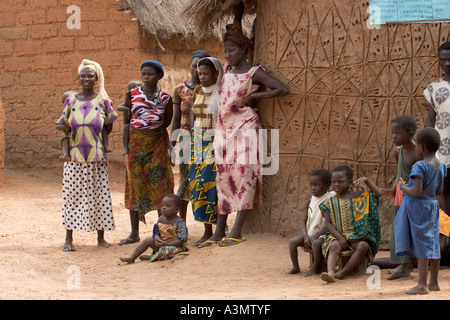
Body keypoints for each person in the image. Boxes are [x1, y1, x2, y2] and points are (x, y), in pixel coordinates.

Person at [202, 28, 289, 247]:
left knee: (245, 176)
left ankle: (237, 230)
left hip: (246, 128)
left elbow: (281, 88)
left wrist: (254, 96)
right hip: (223, 130)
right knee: (223, 178)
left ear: (243, 50)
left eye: (231, 50)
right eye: (225, 51)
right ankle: (219, 230)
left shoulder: (254, 73)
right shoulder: (227, 70)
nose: (227, 55)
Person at [55, 59, 118, 252]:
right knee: (72, 196)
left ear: (96, 78)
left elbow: (108, 124)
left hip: (97, 156)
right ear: (78, 78)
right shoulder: (71, 100)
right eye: (83, 75)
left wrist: (103, 142)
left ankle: (101, 238)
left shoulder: (103, 101)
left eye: (90, 76)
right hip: (74, 157)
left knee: (99, 195)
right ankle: (68, 239)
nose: (86, 79)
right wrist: (65, 128)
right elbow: (61, 122)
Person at [119, 60, 174, 245]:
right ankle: (134, 233)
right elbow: (128, 119)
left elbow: (167, 120)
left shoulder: (166, 98)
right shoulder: (132, 94)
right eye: (143, 73)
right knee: (135, 185)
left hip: (156, 144)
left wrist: (152, 129)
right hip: (136, 145)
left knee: (160, 186)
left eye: (150, 74)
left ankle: (162, 231)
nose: (145, 77)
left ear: (159, 76)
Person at [395, 127, 446, 294]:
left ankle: (422, 284)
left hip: (418, 207)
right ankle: (434, 282)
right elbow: (439, 191)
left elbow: (416, 191)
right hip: (432, 205)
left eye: (416, 145)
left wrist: (404, 187)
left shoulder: (419, 166)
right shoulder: (441, 166)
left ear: (422, 147)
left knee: (421, 244)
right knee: (433, 242)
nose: (415, 148)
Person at [320, 165, 382, 283]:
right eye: (334, 182)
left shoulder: (359, 196)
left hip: (355, 235)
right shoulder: (329, 202)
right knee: (334, 246)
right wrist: (339, 237)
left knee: (363, 246)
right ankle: (331, 272)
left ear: (350, 182)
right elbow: (328, 224)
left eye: (340, 181)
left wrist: (367, 181)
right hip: (336, 236)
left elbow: (378, 194)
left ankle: (343, 272)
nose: (336, 184)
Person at [171, 50, 210, 222]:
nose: (196, 70)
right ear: (189, 66)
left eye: (200, 66)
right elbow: (176, 118)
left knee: (205, 179)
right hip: (186, 140)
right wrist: (172, 145)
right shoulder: (180, 89)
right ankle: (182, 223)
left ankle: (207, 223)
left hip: (205, 139)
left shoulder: (210, 90)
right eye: (194, 66)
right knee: (185, 180)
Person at [188, 57, 224, 247]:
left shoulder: (222, 92)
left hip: (216, 142)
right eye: (199, 73)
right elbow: (194, 112)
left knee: (212, 185)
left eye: (205, 74)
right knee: (197, 183)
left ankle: (218, 229)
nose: (201, 77)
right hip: (198, 142)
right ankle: (207, 230)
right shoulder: (197, 91)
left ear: (216, 74)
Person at [378, 115, 419, 279]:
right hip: (400, 199)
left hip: (413, 199)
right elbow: (401, 174)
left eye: (398, 133)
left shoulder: (417, 153)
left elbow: (419, 176)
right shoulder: (400, 151)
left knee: (413, 233)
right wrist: (393, 189)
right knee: (400, 231)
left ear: (410, 134)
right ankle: (404, 265)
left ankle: (412, 265)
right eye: (392, 133)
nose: (394, 136)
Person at [286, 169, 334, 276]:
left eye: (317, 185)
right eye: (311, 184)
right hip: (310, 234)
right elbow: (303, 221)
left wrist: (317, 235)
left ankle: (317, 265)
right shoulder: (309, 201)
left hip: (324, 235)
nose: (313, 187)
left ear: (327, 185)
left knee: (316, 244)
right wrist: (306, 236)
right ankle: (295, 266)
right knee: (292, 242)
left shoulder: (330, 200)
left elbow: (331, 224)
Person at [119, 194, 188, 263]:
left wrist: (167, 244)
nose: (163, 208)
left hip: (175, 247)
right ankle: (132, 257)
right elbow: (156, 230)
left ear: (176, 209)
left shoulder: (180, 222)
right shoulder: (161, 219)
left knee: (167, 250)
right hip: (162, 245)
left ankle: (153, 257)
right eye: (162, 205)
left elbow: (182, 240)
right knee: (147, 240)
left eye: (168, 206)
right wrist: (156, 237)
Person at [425, 41, 450, 215]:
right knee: (443, 192)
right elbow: (430, 120)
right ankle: (447, 236)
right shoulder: (434, 88)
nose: (447, 63)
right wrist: (428, 149)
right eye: (443, 60)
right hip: (444, 150)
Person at [117, 80, 143, 155]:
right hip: (130, 124)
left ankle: (167, 143)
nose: (132, 91)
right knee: (126, 127)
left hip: (142, 125)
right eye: (129, 89)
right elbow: (119, 107)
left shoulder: (144, 99)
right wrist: (127, 109)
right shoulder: (128, 100)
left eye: (135, 88)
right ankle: (125, 148)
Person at [58, 91, 77, 162]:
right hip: (70, 136)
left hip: (83, 137)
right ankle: (66, 155)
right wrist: (64, 126)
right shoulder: (65, 114)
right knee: (65, 140)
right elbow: (58, 125)